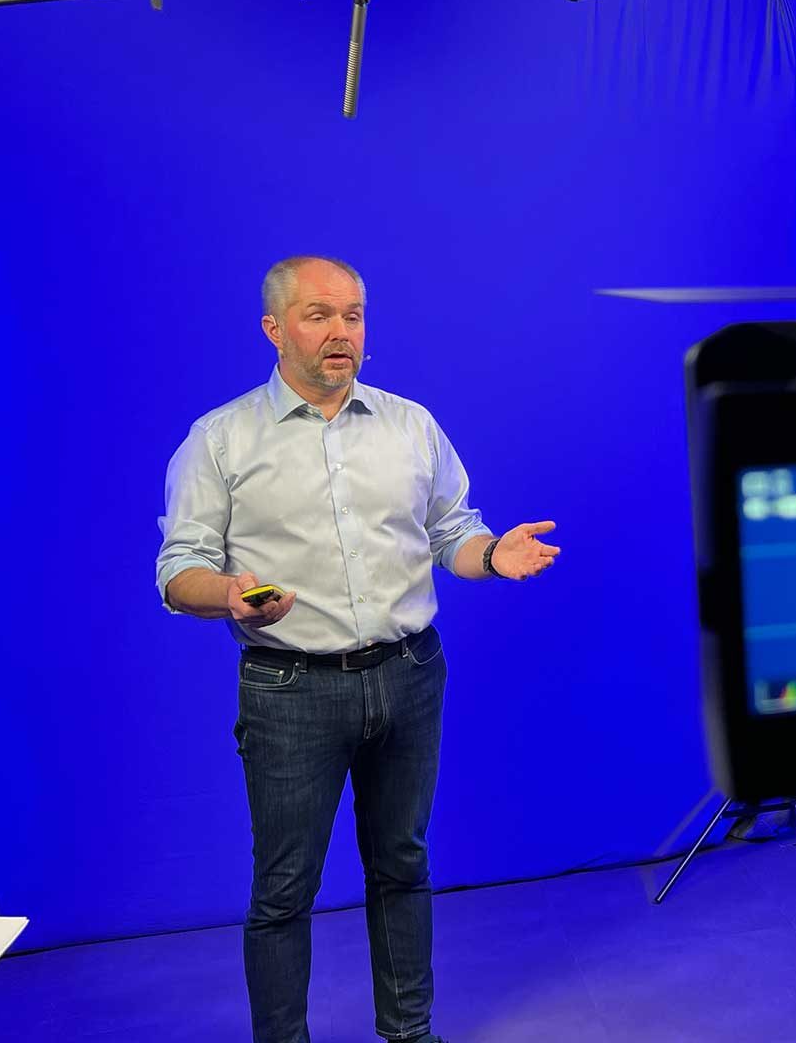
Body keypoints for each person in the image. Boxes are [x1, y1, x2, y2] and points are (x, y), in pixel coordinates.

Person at [154, 256, 560, 1043]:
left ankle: (409, 1035)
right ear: (274, 329)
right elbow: (179, 570)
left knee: (402, 866)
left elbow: (451, 530)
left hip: (410, 677)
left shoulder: (411, 425)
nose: (341, 332)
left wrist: (489, 555)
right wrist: (229, 593)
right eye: (318, 315)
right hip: (290, 690)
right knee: (283, 893)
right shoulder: (221, 440)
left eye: (354, 315)